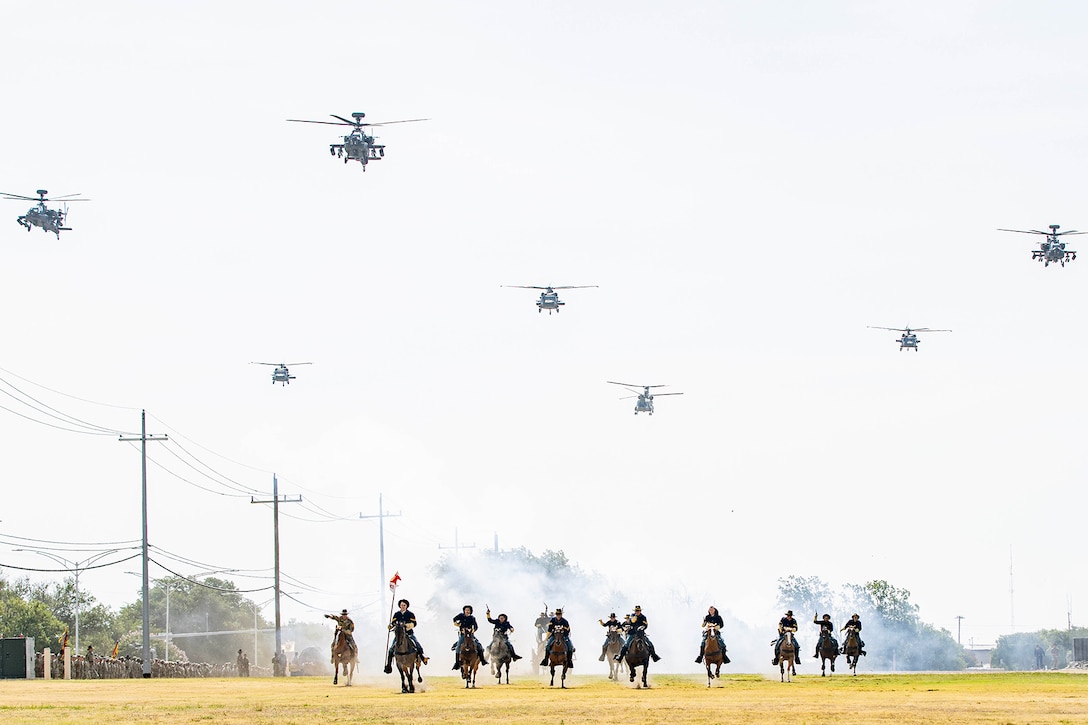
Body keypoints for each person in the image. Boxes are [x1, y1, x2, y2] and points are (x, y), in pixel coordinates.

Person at [385, 598, 428, 673]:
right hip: (399, 636)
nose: (403, 606)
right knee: (391, 649)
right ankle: (388, 665)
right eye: (401, 605)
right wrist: (390, 626)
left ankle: (422, 656)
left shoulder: (410, 614)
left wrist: (406, 626)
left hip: (409, 634)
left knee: (417, 644)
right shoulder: (396, 614)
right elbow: (393, 622)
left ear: (407, 606)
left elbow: (414, 624)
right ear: (400, 606)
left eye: (404, 605)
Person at [452, 605, 488, 670]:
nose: (467, 611)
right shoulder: (461, 615)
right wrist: (458, 624)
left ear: (471, 611)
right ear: (464, 611)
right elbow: (454, 619)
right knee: (458, 646)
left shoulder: (472, 618)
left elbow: (476, 626)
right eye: (466, 610)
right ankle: (457, 663)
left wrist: (472, 631)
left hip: (470, 635)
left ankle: (482, 660)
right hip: (463, 634)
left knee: (479, 645)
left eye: (468, 610)